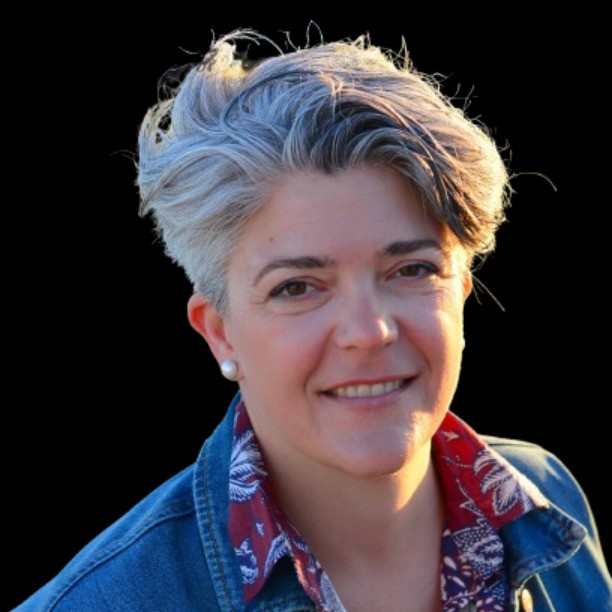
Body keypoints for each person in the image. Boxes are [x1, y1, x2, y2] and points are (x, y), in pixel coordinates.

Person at [16, 29, 611, 611]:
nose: (368, 332)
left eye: (411, 270)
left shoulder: (548, 499)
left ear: (461, 290)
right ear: (220, 332)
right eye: (297, 287)